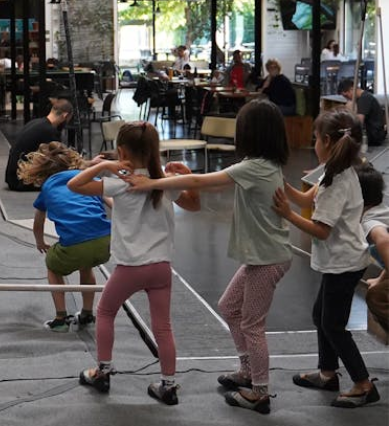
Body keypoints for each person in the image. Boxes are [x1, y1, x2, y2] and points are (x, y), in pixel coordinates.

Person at [123, 99, 292, 414]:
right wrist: (185, 174)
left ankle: (260, 392)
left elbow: (202, 183)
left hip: (268, 259)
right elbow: (206, 181)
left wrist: (154, 182)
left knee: (253, 325)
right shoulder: (262, 165)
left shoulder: (255, 167)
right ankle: (247, 370)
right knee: (229, 306)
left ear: (250, 134)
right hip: (261, 257)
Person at [67, 121, 201, 405]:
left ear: (121, 152)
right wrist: (186, 177)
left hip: (130, 268)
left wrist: (105, 166)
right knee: (163, 327)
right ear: (155, 150)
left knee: (105, 312)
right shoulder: (164, 181)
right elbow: (193, 204)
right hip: (161, 268)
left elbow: (73, 184)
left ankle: (102, 372)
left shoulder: (120, 182)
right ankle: (168, 385)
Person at [272, 109, 380, 408]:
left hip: (344, 263)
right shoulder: (334, 172)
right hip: (340, 261)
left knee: (333, 325)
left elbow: (321, 230)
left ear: (328, 141)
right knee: (322, 316)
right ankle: (327, 373)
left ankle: (363, 384)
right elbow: (307, 199)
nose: (314, 143)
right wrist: (282, 184)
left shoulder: (336, 182)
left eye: (315, 138)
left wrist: (287, 215)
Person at [17, 142, 112, 332]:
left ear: (41, 171)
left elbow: (38, 222)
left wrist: (40, 242)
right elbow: (111, 201)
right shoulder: (87, 177)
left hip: (75, 245)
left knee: (53, 267)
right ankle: (87, 313)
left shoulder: (48, 187)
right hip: (107, 242)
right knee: (86, 265)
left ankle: (60, 319)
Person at [5, 99, 73, 191]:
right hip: (21, 180)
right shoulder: (50, 131)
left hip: (12, 177)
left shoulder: (35, 122)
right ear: (65, 115)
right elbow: (61, 159)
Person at [355, 163, 389, 333]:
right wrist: (380, 280)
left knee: (376, 297)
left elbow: (384, 240)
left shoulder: (370, 222)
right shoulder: (381, 210)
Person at [338, 79, 387, 146]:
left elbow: (359, 122)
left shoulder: (364, 98)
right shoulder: (364, 97)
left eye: (346, 96)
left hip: (374, 136)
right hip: (374, 133)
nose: (347, 99)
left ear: (352, 89)